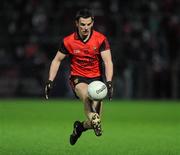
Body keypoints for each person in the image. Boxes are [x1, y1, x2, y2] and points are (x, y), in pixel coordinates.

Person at [45, 8, 113, 145]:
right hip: (78, 78)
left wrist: (109, 82)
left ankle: (79, 128)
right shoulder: (68, 41)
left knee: (95, 122)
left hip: (97, 80)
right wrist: (50, 81)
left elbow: (107, 61)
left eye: (88, 24)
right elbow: (56, 60)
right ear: (76, 23)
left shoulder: (100, 39)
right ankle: (92, 117)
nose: (85, 28)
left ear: (93, 23)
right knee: (86, 96)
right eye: (82, 24)